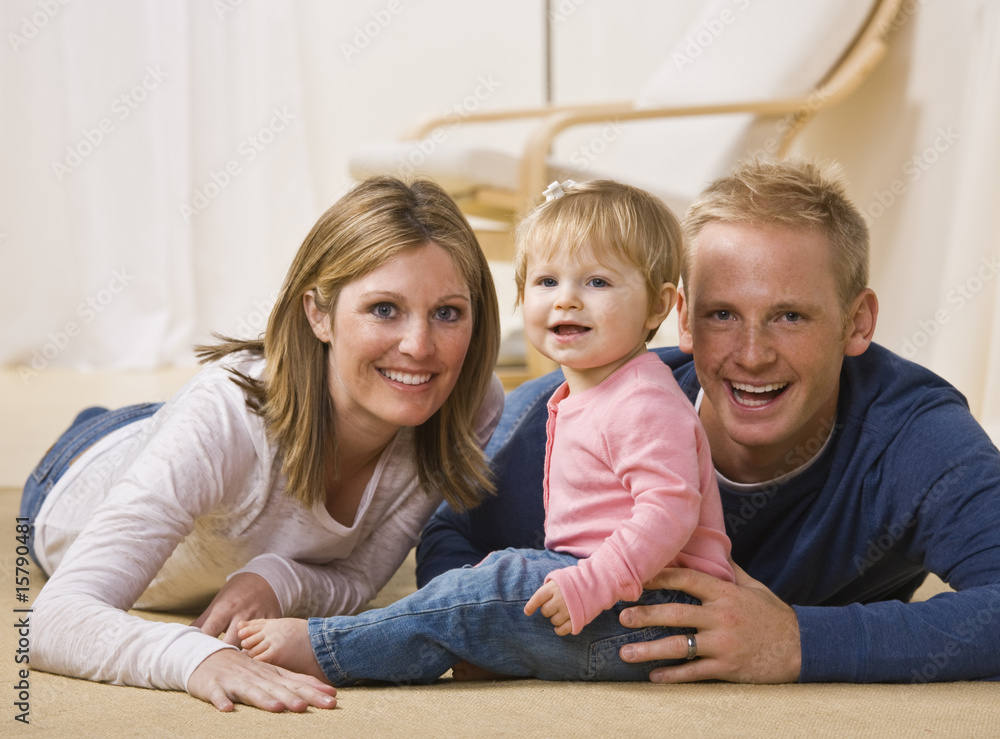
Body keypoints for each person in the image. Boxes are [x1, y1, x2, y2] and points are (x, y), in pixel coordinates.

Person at [416, 158, 1000, 684]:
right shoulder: (571, 414)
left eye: (790, 316)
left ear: (857, 323)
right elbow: (451, 531)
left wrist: (799, 640)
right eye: (722, 314)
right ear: (683, 320)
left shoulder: (912, 434)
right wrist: (475, 636)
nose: (752, 354)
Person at [22, 176, 505, 711]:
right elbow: (52, 621)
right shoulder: (224, 415)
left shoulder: (468, 402)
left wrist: (274, 578)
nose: (419, 347)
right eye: (384, 309)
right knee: (198, 425)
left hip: (207, 428)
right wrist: (195, 658)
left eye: (447, 313)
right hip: (77, 470)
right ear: (318, 313)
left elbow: (361, 577)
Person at [237, 179, 734, 685]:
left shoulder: (644, 400)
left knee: (501, 583)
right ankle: (486, 642)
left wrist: (591, 581)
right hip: (614, 599)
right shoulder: (584, 394)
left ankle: (331, 649)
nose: (567, 301)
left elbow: (669, 508)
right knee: (493, 579)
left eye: (598, 283)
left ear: (658, 306)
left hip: (657, 610)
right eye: (546, 282)